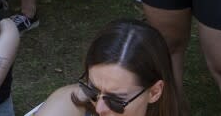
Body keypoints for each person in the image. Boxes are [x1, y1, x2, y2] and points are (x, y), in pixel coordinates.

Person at [34, 20, 181, 116]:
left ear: (154, 92)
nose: (99, 109)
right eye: (92, 90)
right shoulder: (64, 108)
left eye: (116, 100)